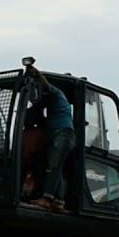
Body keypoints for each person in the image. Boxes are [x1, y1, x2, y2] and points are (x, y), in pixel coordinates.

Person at [26, 63, 74, 212]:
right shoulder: (55, 108)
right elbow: (36, 117)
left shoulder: (57, 94)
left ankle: (46, 199)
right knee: (57, 167)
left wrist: (36, 72)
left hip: (64, 135)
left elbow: (46, 85)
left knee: (53, 167)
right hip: (61, 135)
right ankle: (58, 201)